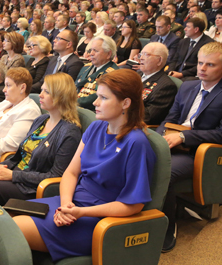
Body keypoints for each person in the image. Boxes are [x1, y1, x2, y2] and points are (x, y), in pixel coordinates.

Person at [14, 69, 156, 262]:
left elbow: (132, 205)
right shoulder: (96, 127)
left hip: (99, 219)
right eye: (97, 96)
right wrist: (66, 204)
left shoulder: (136, 143)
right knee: (4, 215)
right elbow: (71, 173)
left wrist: (80, 212)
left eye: (103, 98)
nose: (95, 103)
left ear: (126, 103)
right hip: (70, 205)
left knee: (13, 230)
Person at [157, 42, 222, 252]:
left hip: (198, 152)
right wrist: (160, 137)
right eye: (200, 63)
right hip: (173, 141)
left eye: (210, 65)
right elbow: (169, 118)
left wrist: (183, 136)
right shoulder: (188, 86)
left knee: (163, 172)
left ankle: (168, 226)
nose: (202, 69)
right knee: (137, 155)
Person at [0, 72, 82, 206]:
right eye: (42, 90)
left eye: (46, 92)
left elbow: (55, 176)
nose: (40, 95)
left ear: (61, 96)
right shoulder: (41, 120)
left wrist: (12, 175)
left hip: (28, 188)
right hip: (15, 175)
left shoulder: (70, 132)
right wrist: (1, 166)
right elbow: (20, 156)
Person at [138, 42, 178, 125]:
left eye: (146, 54)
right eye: (141, 54)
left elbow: (148, 117)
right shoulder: (135, 75)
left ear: (159, 60)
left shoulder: (166, 86)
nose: (141, 58)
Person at [76, 37, 118, 111]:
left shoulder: (112, 74)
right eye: (91, 50)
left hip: (93, 112)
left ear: (108, 54)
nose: (91, 54)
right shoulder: (85, 68)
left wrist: (70, 102)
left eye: (95, 51)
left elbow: (95, 98)